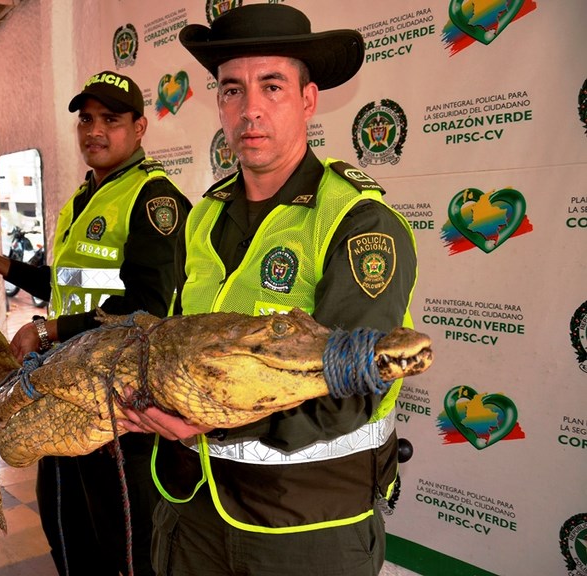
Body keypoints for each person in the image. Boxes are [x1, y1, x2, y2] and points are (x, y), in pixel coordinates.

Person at [119, 4, 418, 575]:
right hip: (191, 506)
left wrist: (212, 419)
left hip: (302, 525)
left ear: (308, 99)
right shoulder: (203, 215)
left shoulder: (356, 223)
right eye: (233, 90)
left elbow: (353, 389)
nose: (250, 110)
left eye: (272, 85)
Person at [0, 70, 191, 576]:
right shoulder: (85, 199)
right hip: (62, 390)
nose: (95, 130)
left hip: (120, 404)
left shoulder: (154, 200)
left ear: (140, 128)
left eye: (111, 119)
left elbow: (149, 305)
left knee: (123, 544)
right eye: (86, 119)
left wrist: (49, 331)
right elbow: (65, 286)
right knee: (66, 527)